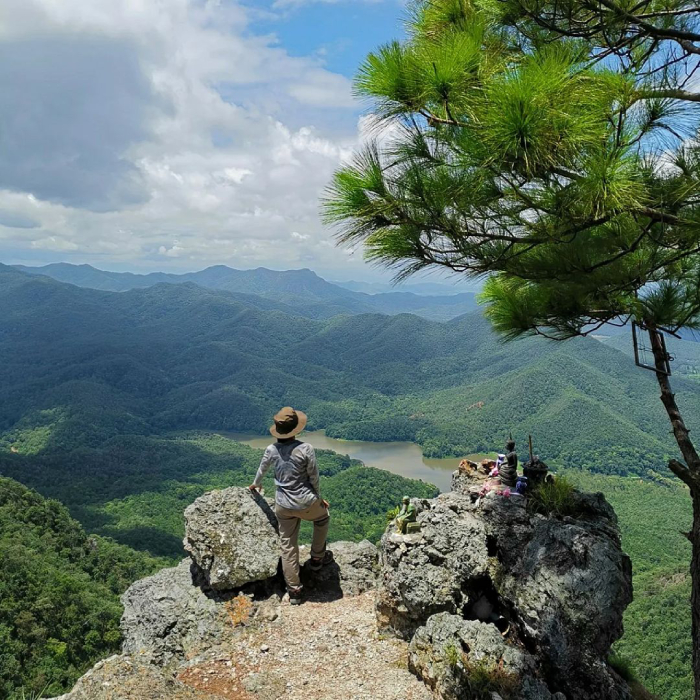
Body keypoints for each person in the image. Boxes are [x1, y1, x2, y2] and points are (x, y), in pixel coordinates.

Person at [249, 406, 332, 605]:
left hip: (283, 506)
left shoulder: (271, 450)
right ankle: (317, 559)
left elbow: (262, 469)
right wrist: (319, 498)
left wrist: (255, 484)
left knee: (287, 545)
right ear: (296, 429)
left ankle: (294, 590)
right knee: (323, 518)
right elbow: (314, 477)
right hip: (306, 502)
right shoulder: (305, 449)